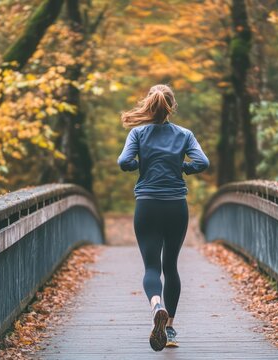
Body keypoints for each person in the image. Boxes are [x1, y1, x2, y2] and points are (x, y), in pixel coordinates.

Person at [117, 84, 209, 351]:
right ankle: (168, 327)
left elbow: (124, 162)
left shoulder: (138, 133)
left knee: (151, 268)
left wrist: (140, 164)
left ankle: (156, 304)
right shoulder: (184, 134)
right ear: (172, 106)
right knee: (171, 266)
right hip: (175, 206)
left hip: (147, 205)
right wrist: (182, 167)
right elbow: (203, 163)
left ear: (149, 103)